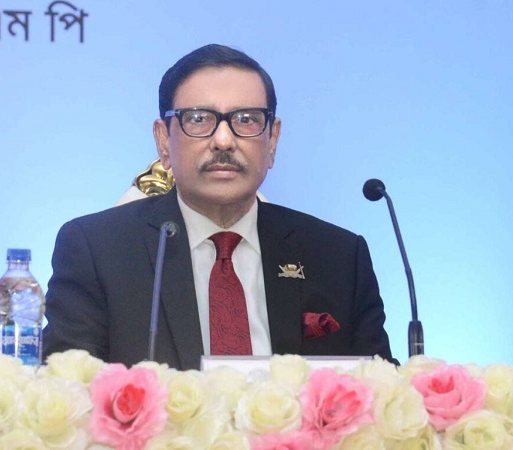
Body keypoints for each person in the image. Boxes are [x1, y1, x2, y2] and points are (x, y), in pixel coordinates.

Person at [42, 44, 395, 369]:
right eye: (198, 119)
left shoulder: (337, 257)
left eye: (246, 119)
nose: (223, 140)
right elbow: (69, 391)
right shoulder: (97, 250)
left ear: (272, 139)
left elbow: (380, 395)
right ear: (163, 141)